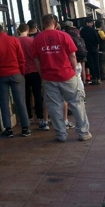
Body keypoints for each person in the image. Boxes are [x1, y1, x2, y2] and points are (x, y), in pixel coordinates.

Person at [29, 14, 92, 142]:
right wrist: (74, 71)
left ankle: (61, 134)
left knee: (54, 106)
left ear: (43, 23)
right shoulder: (63, 36)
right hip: (67, 75)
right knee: (76, 103)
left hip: (48, 77)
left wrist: (42, 75)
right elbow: (72, 55)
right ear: (54, 22)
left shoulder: (37, 39)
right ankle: (83, 133)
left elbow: (36, 60)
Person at [0, 23, 31, 137]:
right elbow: (21, 58)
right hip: (16, 73)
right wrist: (22, 72)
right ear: (4, 30)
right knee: (20, 101)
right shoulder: (14, 40)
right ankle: (25, 127)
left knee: (4, 102)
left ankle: (8, 129)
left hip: (0, 75)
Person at [17, 23, 48, 131]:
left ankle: (28, 116)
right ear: (28, 30)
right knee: (37, 94)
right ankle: (40, 117)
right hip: (34, 71)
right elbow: (38, 56)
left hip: (22, 72)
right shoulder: (32, 41)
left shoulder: (16, 41)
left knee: (25, 95)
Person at [80, 18, 101, 85]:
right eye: (91, 23)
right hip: (94, 48)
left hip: (87, 49)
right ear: (87, 23)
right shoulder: (93, 30)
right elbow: (97, 40)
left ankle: (94, 78)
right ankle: (98, 78)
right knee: (96, 63)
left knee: (91, 64)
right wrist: (97, 47)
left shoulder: (82, 30)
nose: (92, 24)